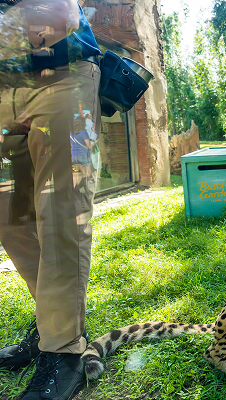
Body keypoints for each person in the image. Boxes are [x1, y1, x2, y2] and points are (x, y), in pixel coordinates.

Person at [0, 1, 102, 399]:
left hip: (62, 77)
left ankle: (65, 350)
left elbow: (60, 16)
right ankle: (51, 325)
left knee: (60, 210)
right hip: (7, 87)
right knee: (11, 215)